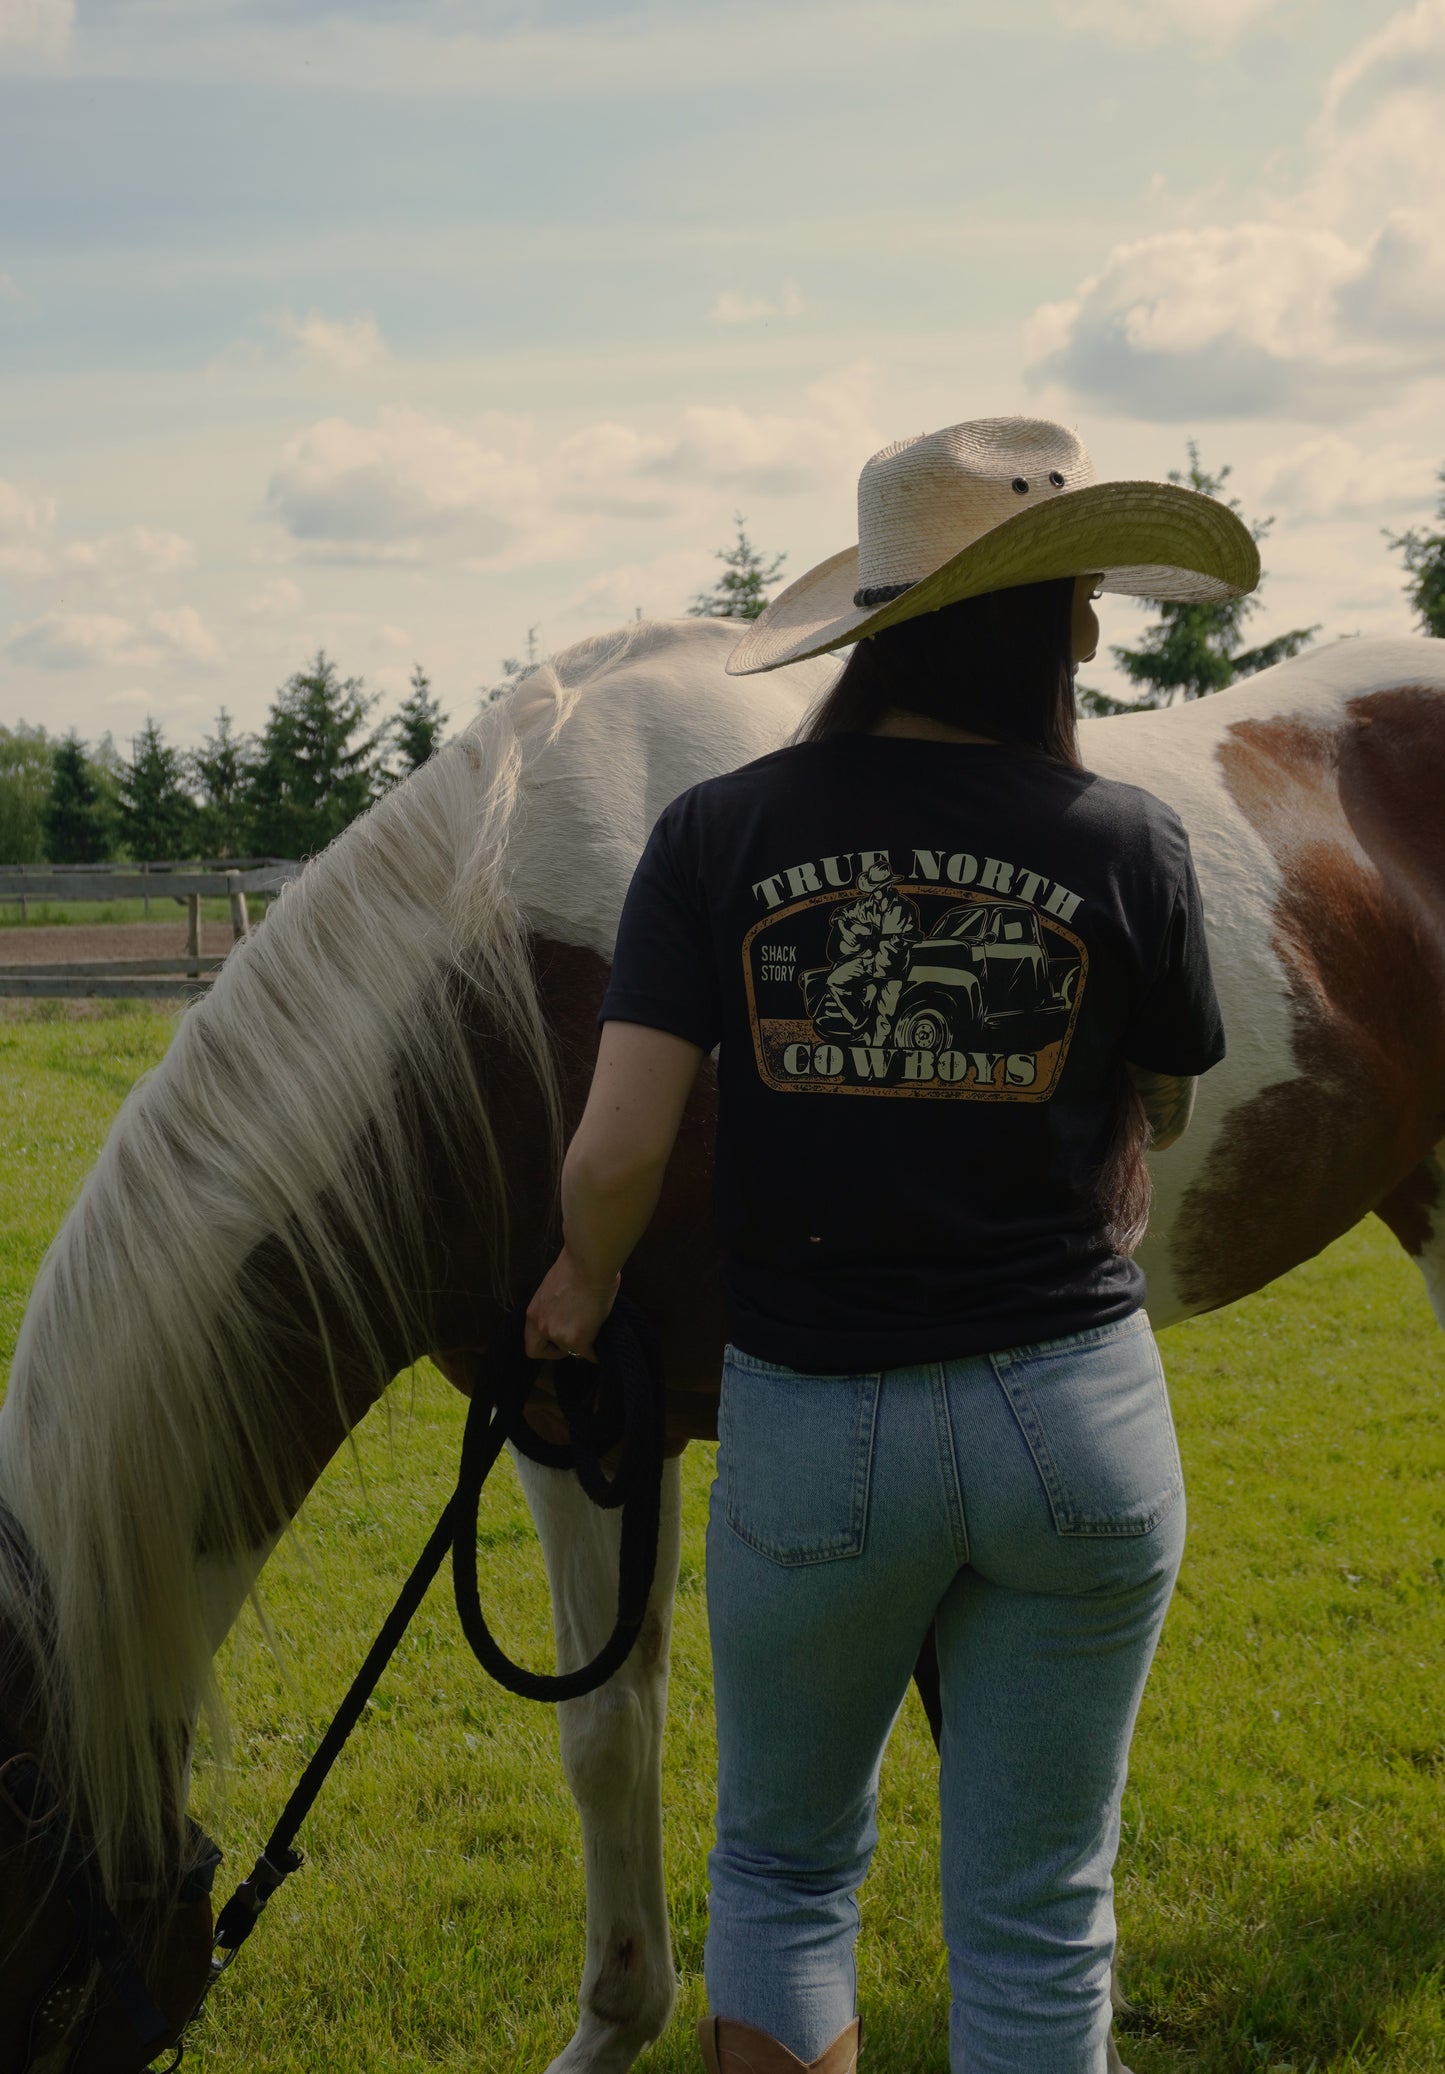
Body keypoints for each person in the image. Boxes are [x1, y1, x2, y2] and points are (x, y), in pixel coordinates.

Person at [525, 417, 1257, 2074]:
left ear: (876, 623)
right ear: (1051, 622)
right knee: (1039, 1906)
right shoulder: (1127, 839)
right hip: (1077, 1413)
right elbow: (1164, 1111)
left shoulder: (716, 834)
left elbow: (620, 1144)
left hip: (817, 1426)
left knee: (784, 1874)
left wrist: (578, 1285)